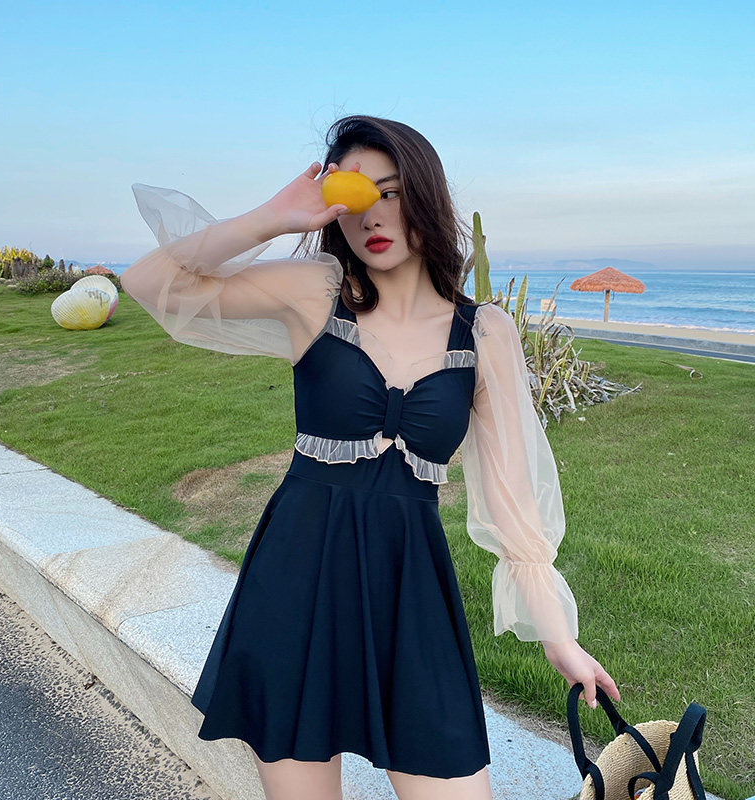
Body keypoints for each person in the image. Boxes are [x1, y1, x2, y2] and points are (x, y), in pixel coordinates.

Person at [120, 114, 620, 800]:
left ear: (427, 198)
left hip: (410, 596)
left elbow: (515, 503)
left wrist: (559, 637)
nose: (372, 215)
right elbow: (150, 280)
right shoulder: (314, 294)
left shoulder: (485, 333)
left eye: (392, 192)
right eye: (354, 196)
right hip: (295, 586)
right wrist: (274, 216)